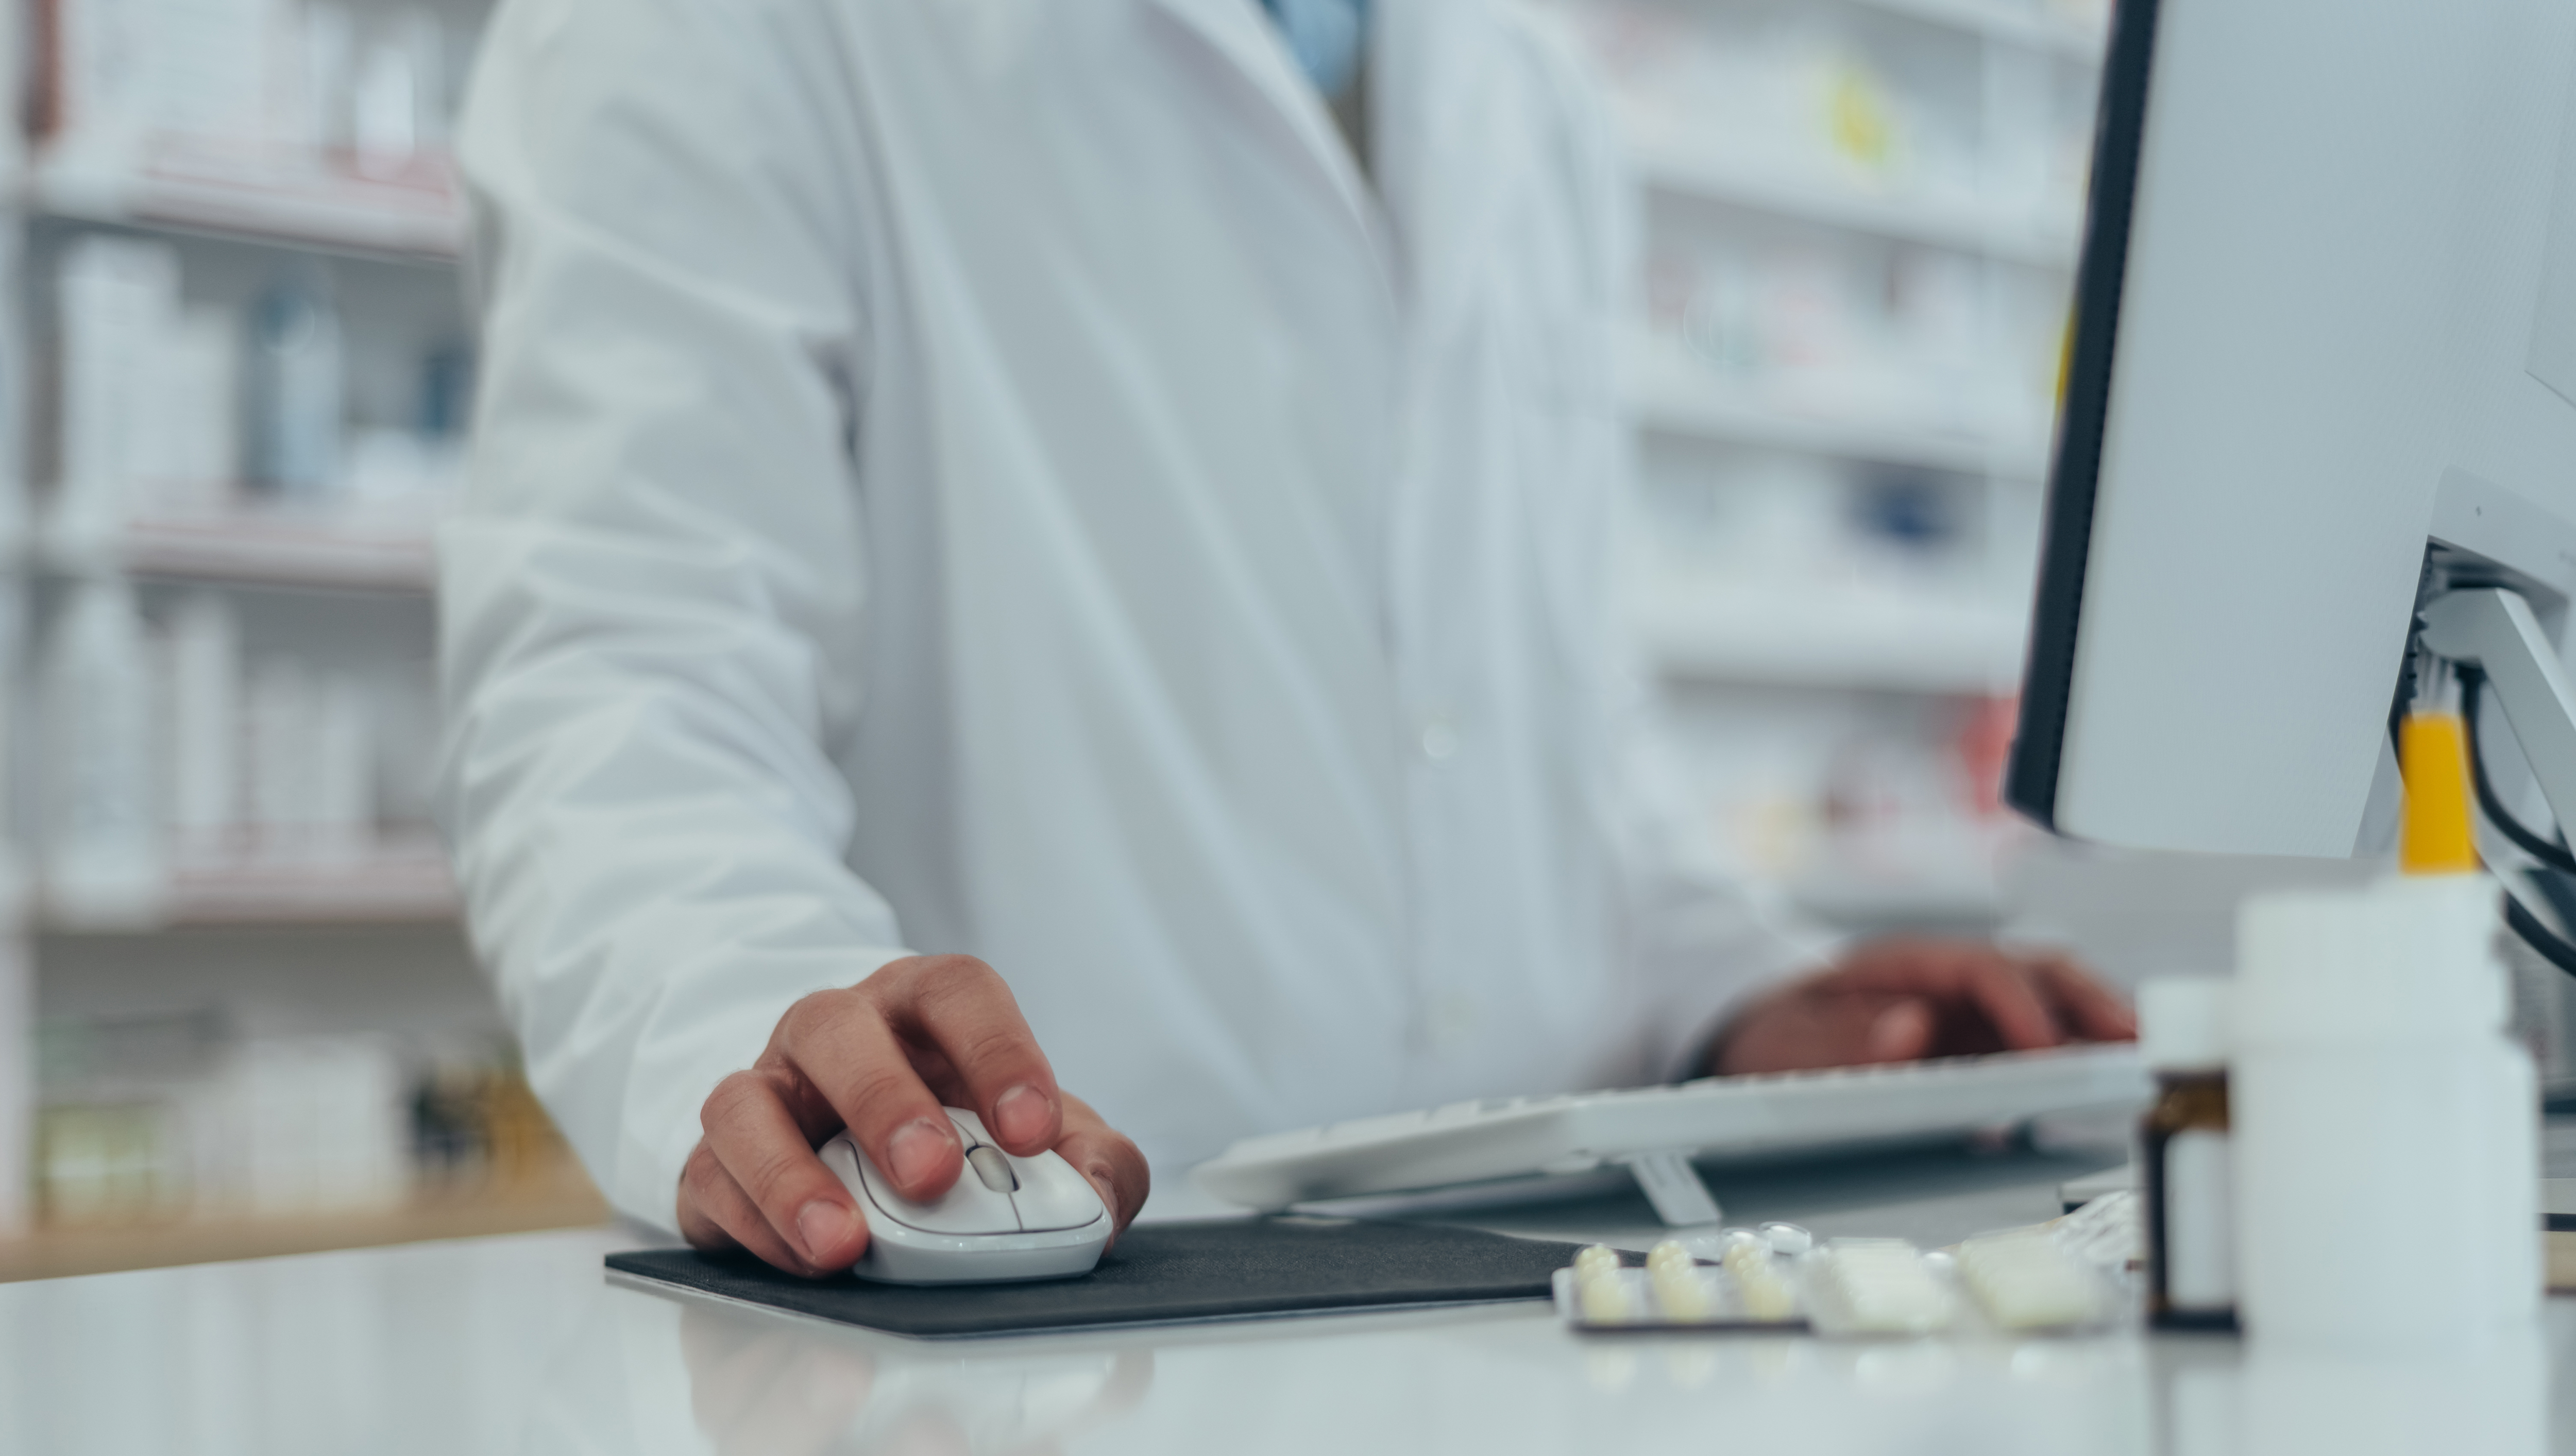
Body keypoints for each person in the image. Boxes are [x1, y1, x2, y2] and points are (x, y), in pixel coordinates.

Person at [437, 0, 2133, 1279]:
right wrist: (761, 1035)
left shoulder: (1520, 80)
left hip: (1530, 1360)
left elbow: (1542, 729)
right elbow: (623, 678)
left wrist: (1740, 1008)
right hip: (1044, 1355)